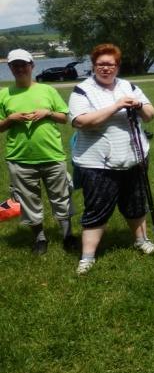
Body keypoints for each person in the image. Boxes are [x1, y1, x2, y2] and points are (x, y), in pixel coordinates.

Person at [68, 44, 154, 274]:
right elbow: (81, 121)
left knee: (135, 204)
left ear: (117, 66)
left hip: (134, 157)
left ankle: (141, 240)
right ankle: (87, 257)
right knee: (96, 210)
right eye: (101, 64)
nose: (105, 68)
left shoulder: (129, 86)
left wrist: (139, 106)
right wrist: (116, 106)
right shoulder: (82, 90)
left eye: (110, 64)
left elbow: (150, 115)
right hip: (96, 163)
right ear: (93, 66)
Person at [0, 49, 76, 255]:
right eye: (15, 65)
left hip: (52, 155)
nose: (20, 69)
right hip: (19, 158)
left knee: (61, 197)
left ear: (32, 66)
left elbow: (65, 117)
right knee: (28, 201)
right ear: (10, 68)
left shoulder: (47, 90)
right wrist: (10, 119)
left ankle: (68, 236)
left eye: (23, 64)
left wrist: (48, 113)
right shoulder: (3, 94)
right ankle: (40, 239)